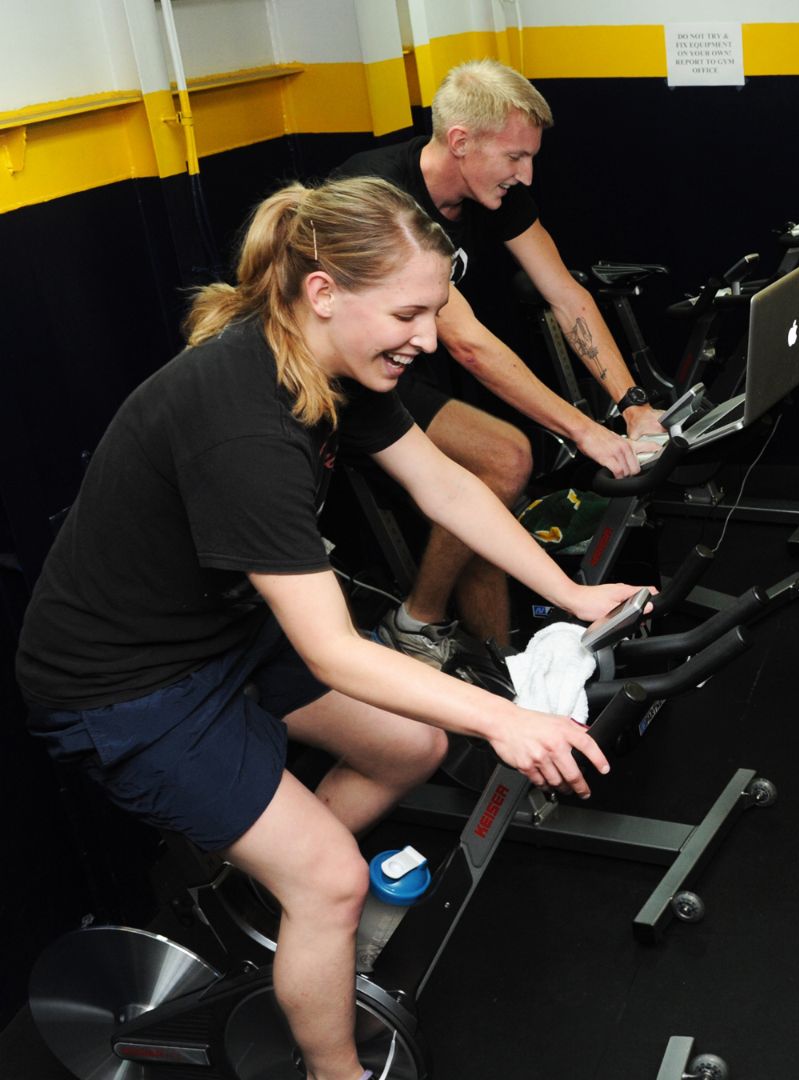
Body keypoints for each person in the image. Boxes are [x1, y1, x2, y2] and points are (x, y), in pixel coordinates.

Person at [17, 176, 646, 1080]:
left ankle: (265, 896)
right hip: (121, 686)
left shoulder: (330, 364)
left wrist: (572, 592)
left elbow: (448, 486)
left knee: (410, 746)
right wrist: (505, 718)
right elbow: (333, 649)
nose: (428, 339)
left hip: (214, 638)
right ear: (323, 293)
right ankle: (333, 1065)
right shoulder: (242, 421)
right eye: (409, 314)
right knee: (335, 881)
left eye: (435, 311)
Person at [333, 59, 664, 663]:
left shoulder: (493, 195)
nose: (526, 174)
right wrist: (586, 431)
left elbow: (566, 295)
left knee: (490, 496)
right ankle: (417, 621)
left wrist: (633, 404)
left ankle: (500, 667)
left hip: (413, 366)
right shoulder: (382, 195)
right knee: (505, 457)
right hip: (344, 380)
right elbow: (466, 342)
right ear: (460, 142)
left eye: (531, 157)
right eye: (515, 157)